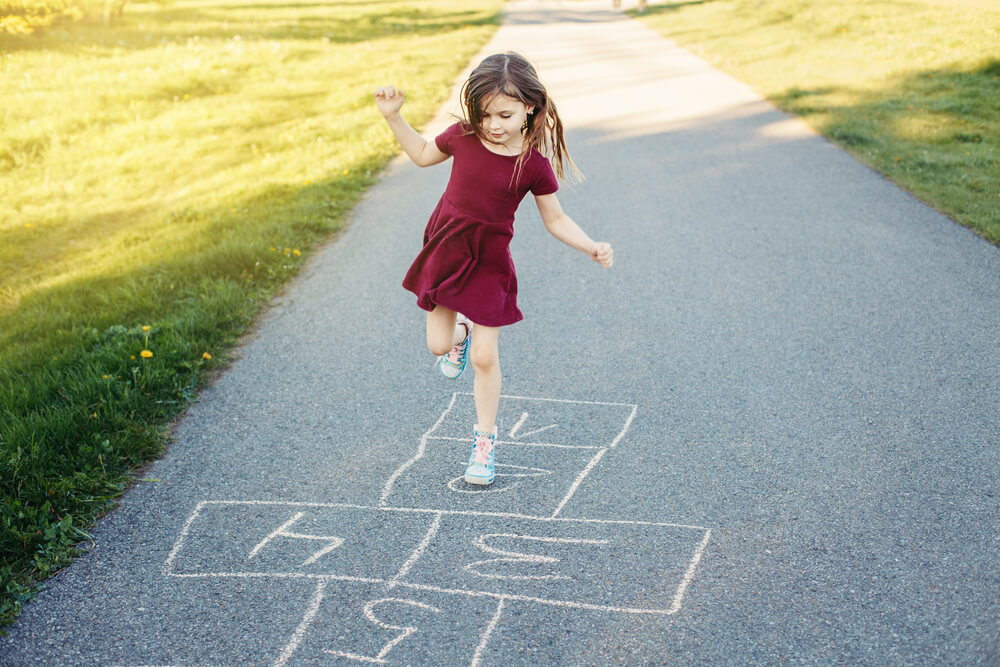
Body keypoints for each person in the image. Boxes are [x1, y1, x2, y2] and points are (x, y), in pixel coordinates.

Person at [374, 52, 613, 486]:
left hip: (488, 263)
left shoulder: (533, 165)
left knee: (487, 358)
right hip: (446, 250)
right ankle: (459, 337)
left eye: (505, 113)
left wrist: (590, 246)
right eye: (484, 114)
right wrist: (395, 118)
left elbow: (555, 219)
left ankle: (483, 443)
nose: (493, 124)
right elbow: (424, 155)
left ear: (530, 108)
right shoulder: (463, 137)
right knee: (437, 345)